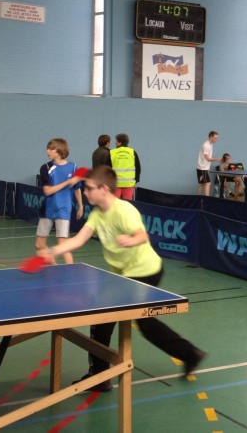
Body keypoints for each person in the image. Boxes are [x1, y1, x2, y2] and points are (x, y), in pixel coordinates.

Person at [39, 167, 205, 390]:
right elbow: (78, 240)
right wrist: (52, 250)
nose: (85, 192)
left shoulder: (123, 210)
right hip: (123, 276)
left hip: (145, 272)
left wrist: (131, 240)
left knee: (144, 323)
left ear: (104, 189)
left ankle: (190, 354)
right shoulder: (97, 214)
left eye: (89, 188)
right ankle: (100, 376)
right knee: (103, 319)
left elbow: (142, 235)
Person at [37, 138, 84, 264]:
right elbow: (47, 191)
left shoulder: (73, 167)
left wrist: (80, 206)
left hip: (64, 210)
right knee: (39, 245)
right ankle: (54, 265)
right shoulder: (46, 167)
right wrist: (67, 182)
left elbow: (77, 188)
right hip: (47, 209)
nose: (47, 151)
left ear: (58, 150)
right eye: (47, 148)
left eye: (51, 149)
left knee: (63, 246)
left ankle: (70, 271)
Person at [110, 133, 141, 200]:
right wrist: (136, 179)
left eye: (116, 141)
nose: (115, 143)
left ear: (119, 142)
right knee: (127, 203)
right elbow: (138, 167)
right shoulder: (132, 152)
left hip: (116, 183)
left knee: (114, 203)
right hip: (128, 184)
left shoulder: (112, 152)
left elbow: (108, 168)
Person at [196, 131, 221, 196]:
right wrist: (216, 159)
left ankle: (198, 199)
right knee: (208, 183)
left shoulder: (210, 144)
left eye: (217, 138)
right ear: (211, 137)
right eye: (215, 138)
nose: (216, 139)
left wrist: (216, 159)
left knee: (201, 184)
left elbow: (208, 157)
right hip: (202, 168)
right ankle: (207, 199)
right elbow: (208, 159)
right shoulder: (206, 145)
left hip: (203, 167)